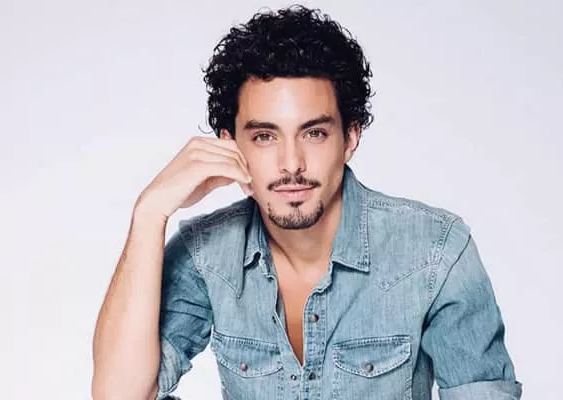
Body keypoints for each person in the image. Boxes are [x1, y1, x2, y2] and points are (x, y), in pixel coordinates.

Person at [92, 5, 522, 400]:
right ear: (230, 146)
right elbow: (120, 395)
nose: (291, 164)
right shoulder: (207, 254)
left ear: (349, 138)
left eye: (314, 133)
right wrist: (150, 212)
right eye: (265, 136)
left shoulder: (435, 250)